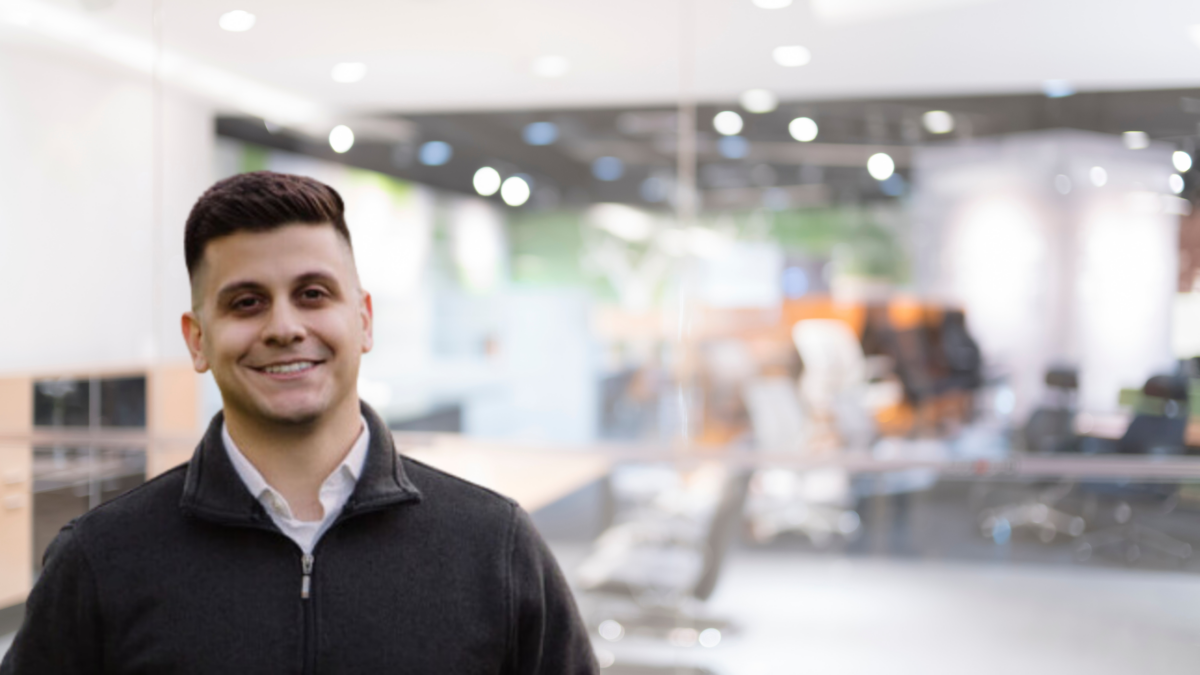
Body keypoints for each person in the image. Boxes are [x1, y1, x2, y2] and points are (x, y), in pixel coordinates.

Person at [1, 171, 598, 674]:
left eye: (313, 294)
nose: (284, 326)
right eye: (246, 302)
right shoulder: (102, 559)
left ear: (363, 320)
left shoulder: (494, 547)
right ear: (197, 339)